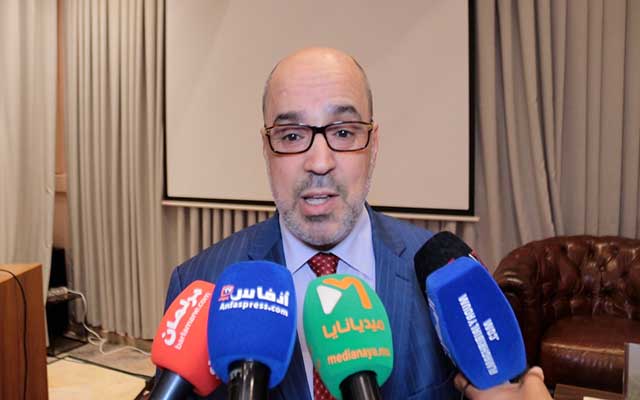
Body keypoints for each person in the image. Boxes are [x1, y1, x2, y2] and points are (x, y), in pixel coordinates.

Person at [164, 47, 546, 399]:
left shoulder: (444, 281)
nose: (319, 163)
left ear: (373, 145)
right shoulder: (201, 284)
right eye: (292, 135)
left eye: (343, 132)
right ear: (266, 149)